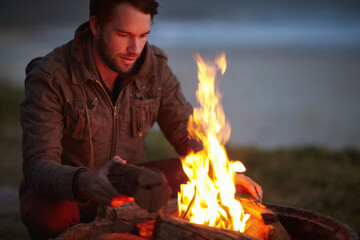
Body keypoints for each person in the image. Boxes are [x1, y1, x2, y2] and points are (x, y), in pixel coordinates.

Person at [19, 0, 263, 239]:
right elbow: (37, 166)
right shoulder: (51, 76)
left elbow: (184, 128)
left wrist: (220, 171)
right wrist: (88, 181)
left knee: (194, 173)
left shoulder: (153, 67)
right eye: (124, 35)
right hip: (74, 191)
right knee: (49, 214)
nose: (135, 48)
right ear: (95, 26)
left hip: (129, 184)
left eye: (143, 35)